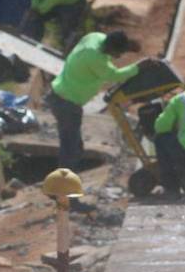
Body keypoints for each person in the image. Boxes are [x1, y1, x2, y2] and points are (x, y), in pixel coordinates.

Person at [48, 30, 139, 182]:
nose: (117, 57)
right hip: (67, 104)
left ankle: (61, 188)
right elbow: (114, 75)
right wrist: (139, 67)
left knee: (75, 148)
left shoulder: (95, 37)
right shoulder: (96, 58)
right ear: (110, 48)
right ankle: (65, 195)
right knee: (70, 151)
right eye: (117, 53)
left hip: (60, 95)